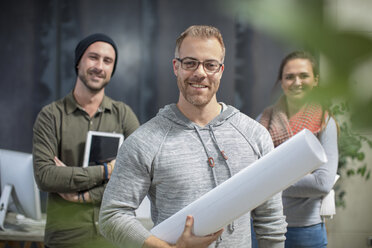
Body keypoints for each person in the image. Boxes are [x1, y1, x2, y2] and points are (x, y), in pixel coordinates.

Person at [99, 25, 286, 248]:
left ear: (221, 70)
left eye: (210, 65)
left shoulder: (254, 135)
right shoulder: (145, 141)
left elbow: (270, 222)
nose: (200, 72)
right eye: (190, 63)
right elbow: (112, 216)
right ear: (176, 67)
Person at [32, 33, 140, 248]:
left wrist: (84, 196)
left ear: (112, 69)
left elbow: (137, 180)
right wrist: (107, 172)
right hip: (64, 240)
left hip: (114, 239)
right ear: (78, 62)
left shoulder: (124, 115)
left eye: (107, 61)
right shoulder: (51, 116)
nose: (99, 66)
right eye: (93, 57)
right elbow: (45, 176)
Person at [256, 51, 339, 248]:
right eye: (289, 76)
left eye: (304, 75)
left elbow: (321, 183)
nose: (296, 82)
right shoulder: (263, 120)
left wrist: (269, 178)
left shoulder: (325, 122)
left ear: (316, 80)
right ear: (282, 82)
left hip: (306, 230)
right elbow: (252, 173)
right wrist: (300, 175)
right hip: (264, 226)